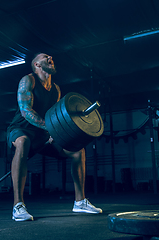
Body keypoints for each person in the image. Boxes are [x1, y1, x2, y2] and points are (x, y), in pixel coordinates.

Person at [7, 53, 102, 221]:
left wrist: (58, 131)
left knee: (77, 150)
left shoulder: (56, 89)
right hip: (21, 128)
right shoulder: (28, 80)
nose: (50, 57)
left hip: (43, 133)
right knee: (23, 142)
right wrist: (50, 128)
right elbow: (26, 111)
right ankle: (18, 205)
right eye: (45, 57)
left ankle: (80, 202)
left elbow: (54, 115)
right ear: (36, 65)